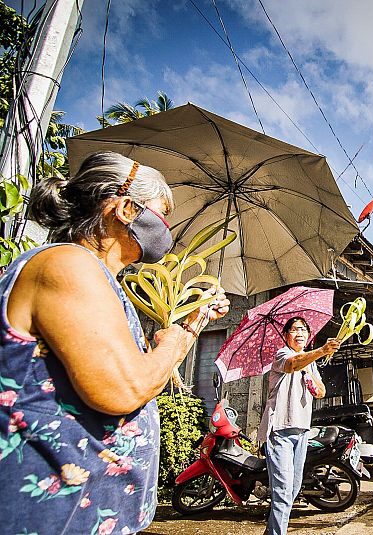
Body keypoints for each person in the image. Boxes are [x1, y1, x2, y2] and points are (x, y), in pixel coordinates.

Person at [0, 151, 230, 533]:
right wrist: (173, 342)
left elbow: (141, 375)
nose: (166, 229)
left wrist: (193, 322)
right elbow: (124, 389)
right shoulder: (66, 265)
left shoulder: (102, 283)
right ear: (125, 208)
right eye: (161, 214)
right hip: (49, 518)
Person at [257, 317, 341, 535]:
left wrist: (312, 381)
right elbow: (293, 364)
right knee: (283, 491)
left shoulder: (309, 362)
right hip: (280, 431)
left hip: (302, 430)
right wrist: (322, 350)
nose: (299, 333)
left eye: (303, 329)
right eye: (294, 330)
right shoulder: (282, 354)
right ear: (286, 335)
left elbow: (322, 392)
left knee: (292, 490)